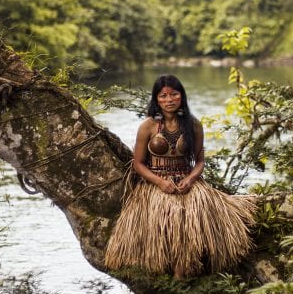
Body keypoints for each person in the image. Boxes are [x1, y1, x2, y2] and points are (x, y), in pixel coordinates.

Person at [104, 74, 255, 279]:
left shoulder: (193, 124)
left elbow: (200, 161)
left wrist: (191, 179)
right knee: (169, 219)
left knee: (189, 219)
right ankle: (165, 270)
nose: (169, 100)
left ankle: (184, 271)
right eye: (163, 95)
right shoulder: (148, 126)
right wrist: (159, 182)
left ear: (181, 96)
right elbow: (138, 164)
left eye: (174, 94)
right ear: (156, 99)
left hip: (187, 182)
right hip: (156, 185)